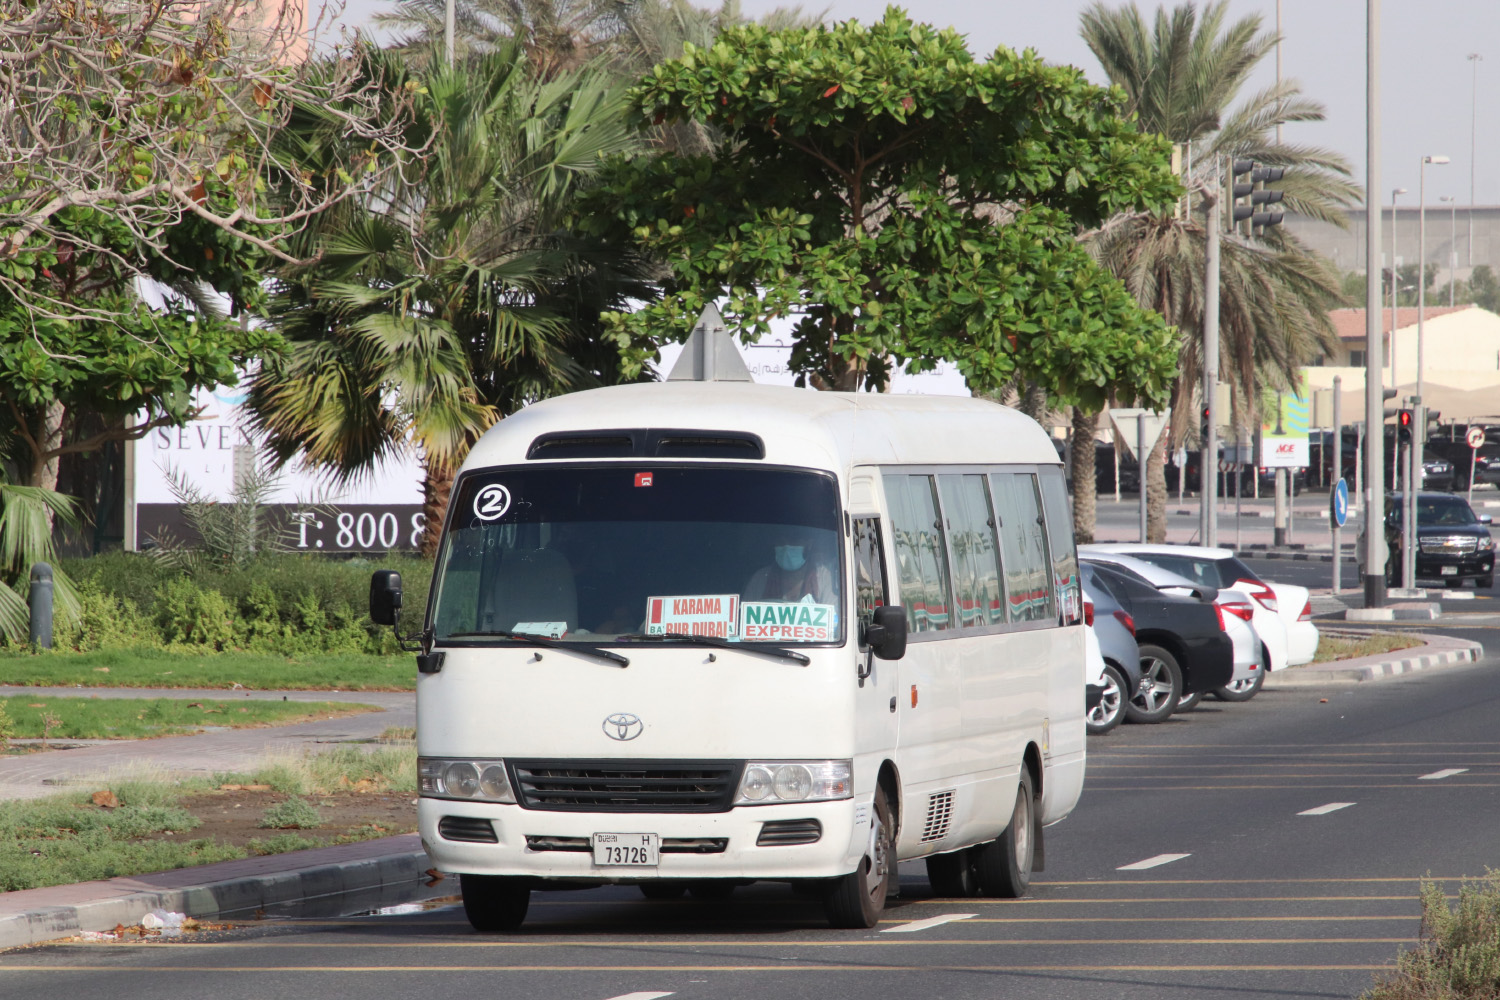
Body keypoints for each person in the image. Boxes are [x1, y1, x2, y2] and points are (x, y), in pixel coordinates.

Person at [743, 527, 837, 605]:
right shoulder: (760, 579)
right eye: (781, 541)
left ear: (809, 544)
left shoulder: (824, 578)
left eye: (794, 541)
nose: (786, 547)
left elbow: (833, 621)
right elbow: (745, 616)